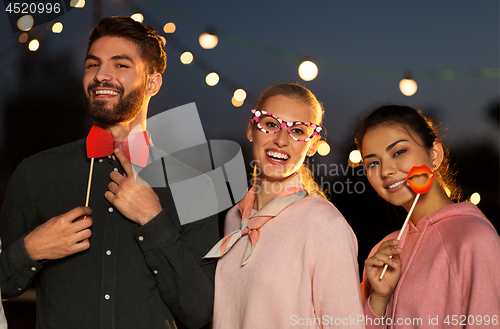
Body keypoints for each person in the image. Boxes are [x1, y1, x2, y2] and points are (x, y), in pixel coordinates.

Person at [0, 16, 219, 329]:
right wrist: (31, 250)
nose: (101, 75)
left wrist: (153, 221)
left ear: (153, 83)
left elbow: (199, 312)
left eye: (120, 65)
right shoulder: (34, 174)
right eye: (92, 64)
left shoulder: (195, 184)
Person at [205, 83, 364, 328]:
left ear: (311, 145)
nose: (281, 140)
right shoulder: (233, 218)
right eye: (271, 124)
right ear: (251, 129)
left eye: (298, 131)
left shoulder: (325, 225)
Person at [355, 105, 500, 328]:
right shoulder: (381, 253)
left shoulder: (474, 237)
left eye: (399, 152)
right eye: (373, 163)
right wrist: (378, 301)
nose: (385, 171)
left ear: (435, 155)